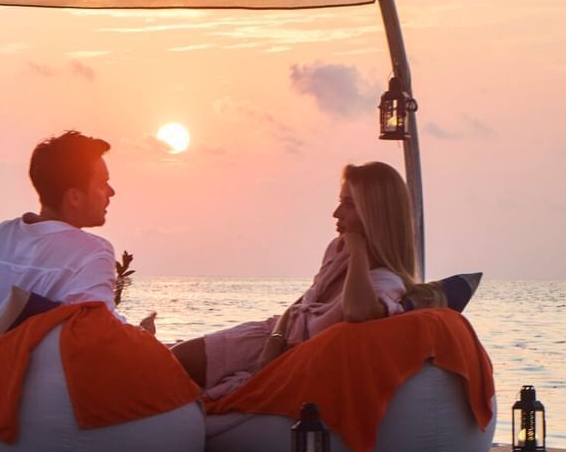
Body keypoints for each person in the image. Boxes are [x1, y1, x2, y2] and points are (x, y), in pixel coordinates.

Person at [171, 161, 429, 396]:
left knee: (184, 382)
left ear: (375, 214)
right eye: (340, 201)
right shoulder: (337, 251)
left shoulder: (387, 282)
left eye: (349, 204)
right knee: (175, 359)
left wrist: (360, 251)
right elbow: (300, 304)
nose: (336, 212)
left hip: (297, 357)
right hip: (272, 335)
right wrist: (271, 349)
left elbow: (358, 312)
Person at [0, 131, 156, 375]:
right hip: (4, 393)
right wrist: (142, 337)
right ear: (74, 197)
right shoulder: (92, 252)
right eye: (102, 183)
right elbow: (100, 337)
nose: (111, 192)